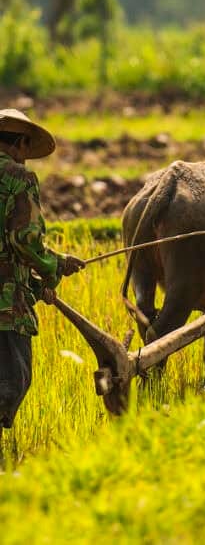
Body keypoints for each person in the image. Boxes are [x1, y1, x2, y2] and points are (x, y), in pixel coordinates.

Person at [0, 109, 85, 430]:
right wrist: (53, 270)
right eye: (26, 149)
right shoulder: (17, 178)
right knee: (11, 383)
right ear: (20, 143)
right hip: (5, 308)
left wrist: (38, 282)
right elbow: (23, 240)